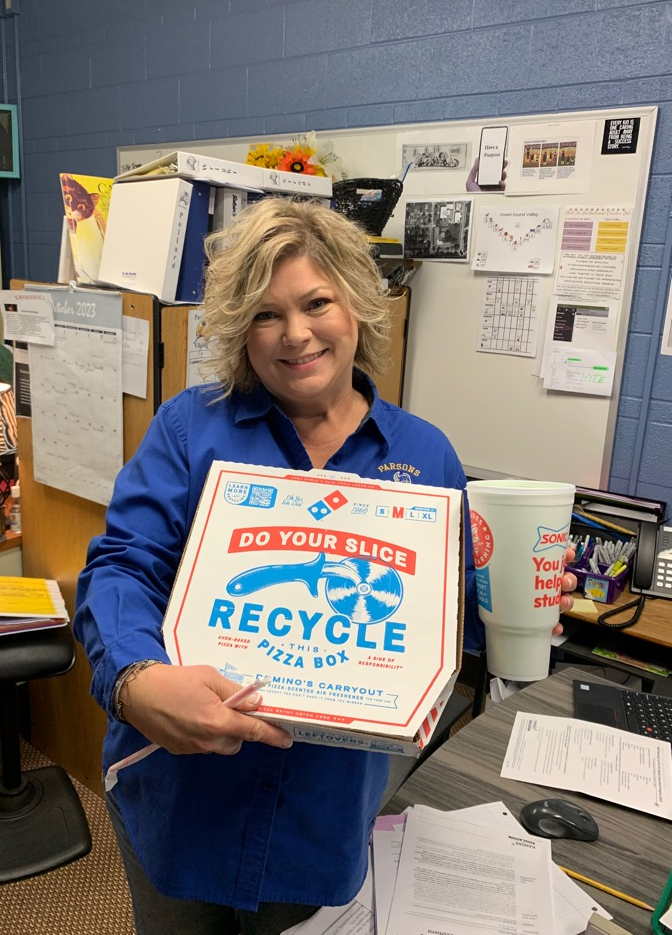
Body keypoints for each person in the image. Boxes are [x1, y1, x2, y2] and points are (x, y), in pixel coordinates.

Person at [73, 198, 575, 935]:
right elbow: (123, 566)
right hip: (182, 791)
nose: (296, 334)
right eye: (266, 315)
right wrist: (133, 679)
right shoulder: (189, 427)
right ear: (241, 328)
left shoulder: (427, 455)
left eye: (316, 304)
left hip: (322, 817)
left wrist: (512, 600)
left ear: (359, 308)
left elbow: (438, 617)